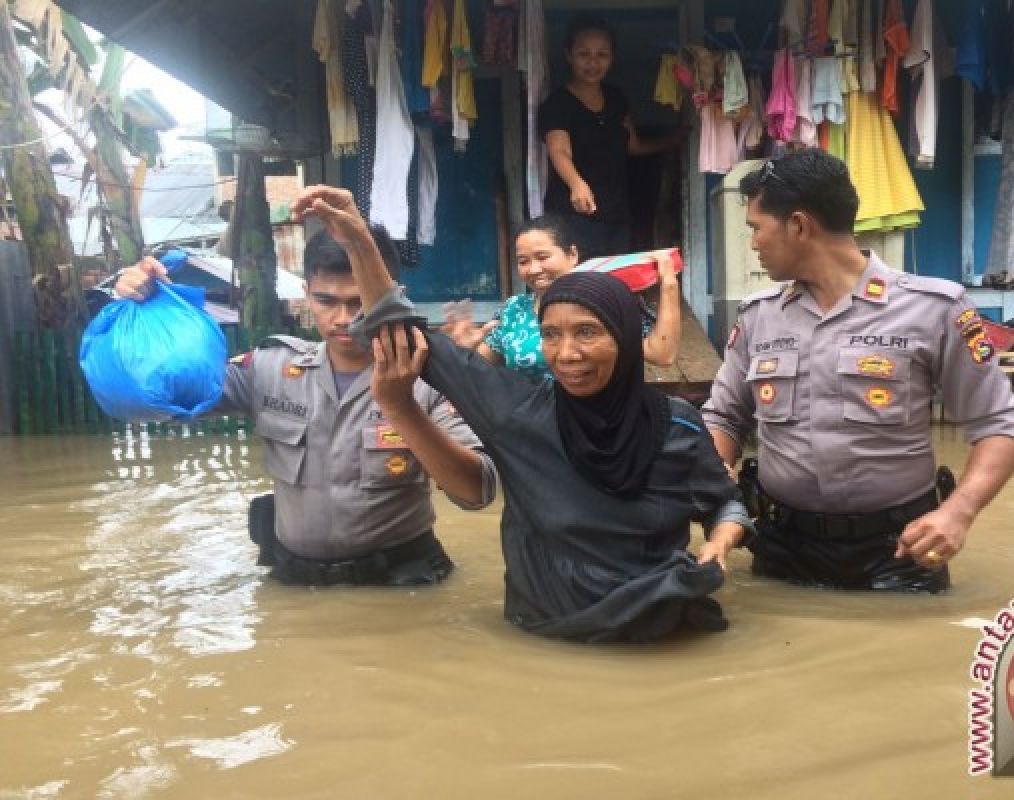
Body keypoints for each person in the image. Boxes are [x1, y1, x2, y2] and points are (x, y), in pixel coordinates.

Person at [291, 185, 752, 643]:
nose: (566, 354)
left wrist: (721, 542)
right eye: (550, 335)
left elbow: (725, 503)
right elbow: (403, 334)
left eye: (587, 332)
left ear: (628, 338)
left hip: (659, 629)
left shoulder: (678, 426)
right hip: (545, 634)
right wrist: (358, 241)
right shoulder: (518, 413)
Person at [702, 150, 1014, 593]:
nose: (754, 243)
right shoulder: (759, 317)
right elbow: (724, 418)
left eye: (756, 228)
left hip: (899, 551)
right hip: (781, 546)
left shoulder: (934, 309)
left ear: (798, 226)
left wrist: (958, 512)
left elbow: (999, 424)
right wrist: (714, 475)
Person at [113, 227, 498, 587]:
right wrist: (144, 306)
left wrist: (401, 408)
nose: (343, 320)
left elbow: (476, 493)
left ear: (389, 295)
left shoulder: (429, 379)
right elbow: (152, 403)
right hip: (294, 582)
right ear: (307, 293)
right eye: (326, 301)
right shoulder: (269, 368)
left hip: (399, 584)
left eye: (359, 303)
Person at [442, 215, 682, 379]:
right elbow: (479, 370)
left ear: (572, 254)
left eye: (543, 257)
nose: (534, 269)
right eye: (523, 261)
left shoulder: (605, 303)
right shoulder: (514, 310)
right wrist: (464, 351)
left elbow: (661, 355)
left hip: (597, 428)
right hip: (530, 433)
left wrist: (669, 286)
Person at [539, 15, 683, 258]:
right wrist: (577, 185)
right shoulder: (558, 104)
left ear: (612, 57)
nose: (593, 62)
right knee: (581, 282)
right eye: (584, 54)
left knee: (613, 281)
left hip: (615, 211)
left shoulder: (616, 99)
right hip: (574, 211)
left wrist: (674, 140)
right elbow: (558, 149)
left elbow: (633, 146)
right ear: (568, 55)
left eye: (601, 54)